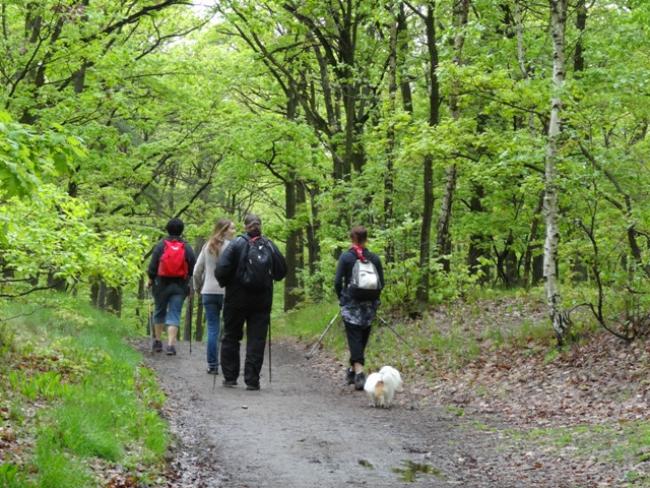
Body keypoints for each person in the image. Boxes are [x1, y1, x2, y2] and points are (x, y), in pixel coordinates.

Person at [214, 214, 287, 390]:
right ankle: (252, 380)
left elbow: (221, 270)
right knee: (257, 339)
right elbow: (281, 271)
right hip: (262, 300)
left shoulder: (236, 244)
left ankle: (230, 377)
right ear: (260, 226)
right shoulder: (269, 245)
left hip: (236, 299)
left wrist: (227, 283)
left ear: (245, 226)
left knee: (231, 336)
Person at [334, 225, 384, 390]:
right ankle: (352, 370)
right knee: (361, 339)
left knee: (354, 338)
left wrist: (341, 298)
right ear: (366, 238)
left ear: (352, 238)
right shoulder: (374, 259)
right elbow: (381, 284)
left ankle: (359, 374)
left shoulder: (346, 257)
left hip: (351, 307)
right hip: (369, 308)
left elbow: (337, 282)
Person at [147, 218, 196, 356]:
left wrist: (150, 279)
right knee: (174, 313)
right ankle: (170, 345)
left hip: (161, 284)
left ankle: (157, 341)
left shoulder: (161, 245)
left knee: (159, 310)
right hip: (180, 285)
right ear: (182, 230)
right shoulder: (186, 247)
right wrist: (189, 282)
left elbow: (153, 266)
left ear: (167, 229)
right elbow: (193, 267)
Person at [193, 218, 236, 374]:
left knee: (212, 329)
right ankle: (227, 365)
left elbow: (197, 271)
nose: (234, 231)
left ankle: (212, 365)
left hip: (208, 292)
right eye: (232, 228)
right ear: (224, 230)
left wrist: (198, 288)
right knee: (227, 331)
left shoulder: (207, 246)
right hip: (227, 293)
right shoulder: (232, 248)